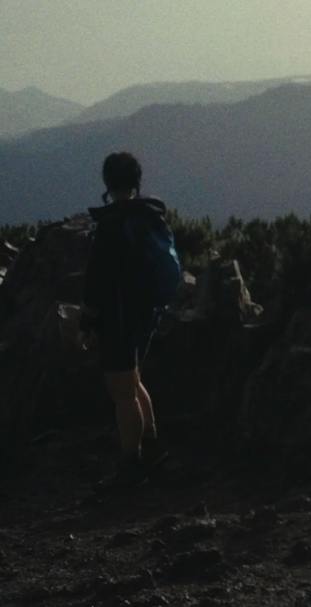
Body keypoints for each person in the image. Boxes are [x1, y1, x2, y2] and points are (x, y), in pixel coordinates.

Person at [82, 151, 179, 489]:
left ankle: (131, 464)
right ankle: (152, 447)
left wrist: (88, 319)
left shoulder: (112, 225)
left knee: (121, 392)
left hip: (118, 317)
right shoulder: (149, 217)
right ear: (137, 180)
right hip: (145, 313)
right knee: (134, 380)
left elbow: (97, 281)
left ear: (108, 182)